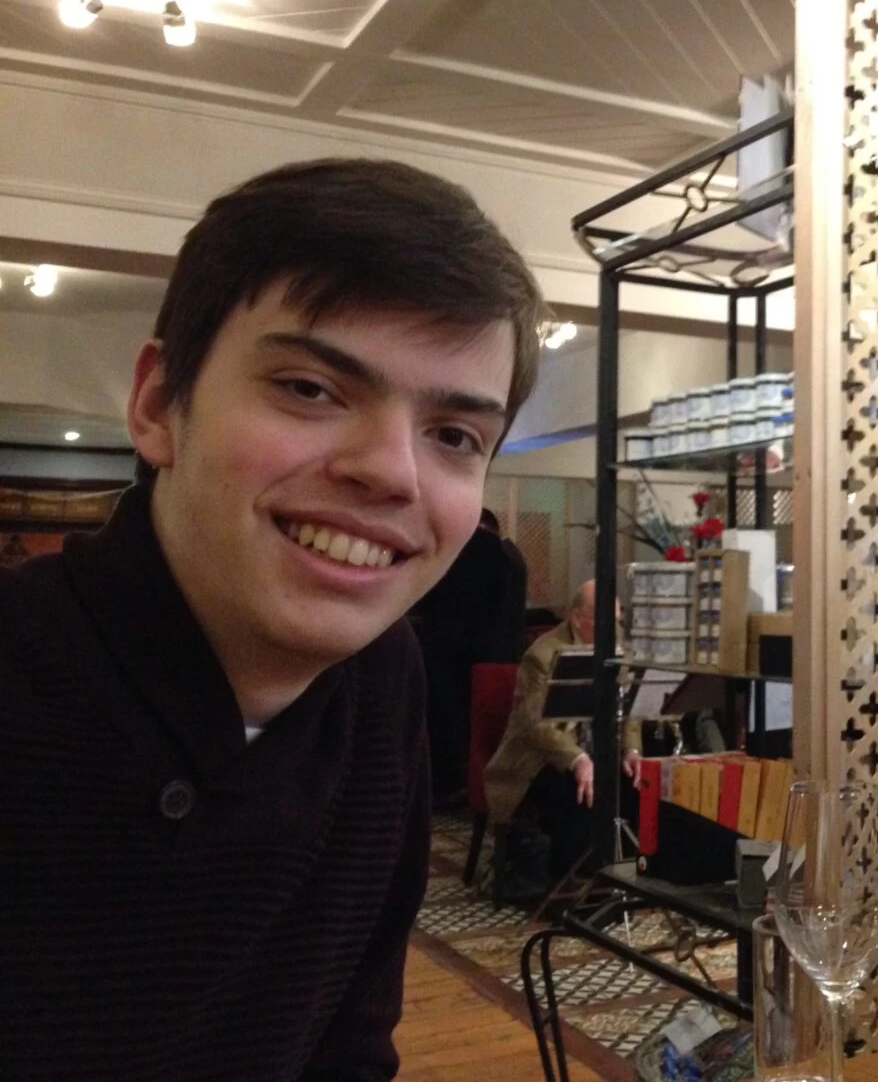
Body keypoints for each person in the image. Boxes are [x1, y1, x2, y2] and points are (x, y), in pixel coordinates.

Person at [0, 158, 542, 1080]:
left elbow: (351, 1045)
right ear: (157, 405)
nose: (393, 473)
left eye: (454, 435)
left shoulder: (382, 678)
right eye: (310, 389)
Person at [482, 579, 642, 893]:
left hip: (597, 750)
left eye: (618, 621)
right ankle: (574, 881)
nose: (615, 630)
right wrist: (577, 759)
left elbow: (628, 706)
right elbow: (535, 725)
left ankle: (625, 871)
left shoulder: (619, 646)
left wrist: (632, 750)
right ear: (578, 619)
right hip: (536, 760)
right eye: (606, 622)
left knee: (634, 782)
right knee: (578, 790)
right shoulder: (542, 655)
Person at [411, 506, 528, 808]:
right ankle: (460, 780)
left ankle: (446, 781)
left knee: (445, 715)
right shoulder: (503, 552)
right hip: (490, 649)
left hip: (441, 644)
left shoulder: (450, 547)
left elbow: (426, 595)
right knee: (469, 719)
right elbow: (505, 606)